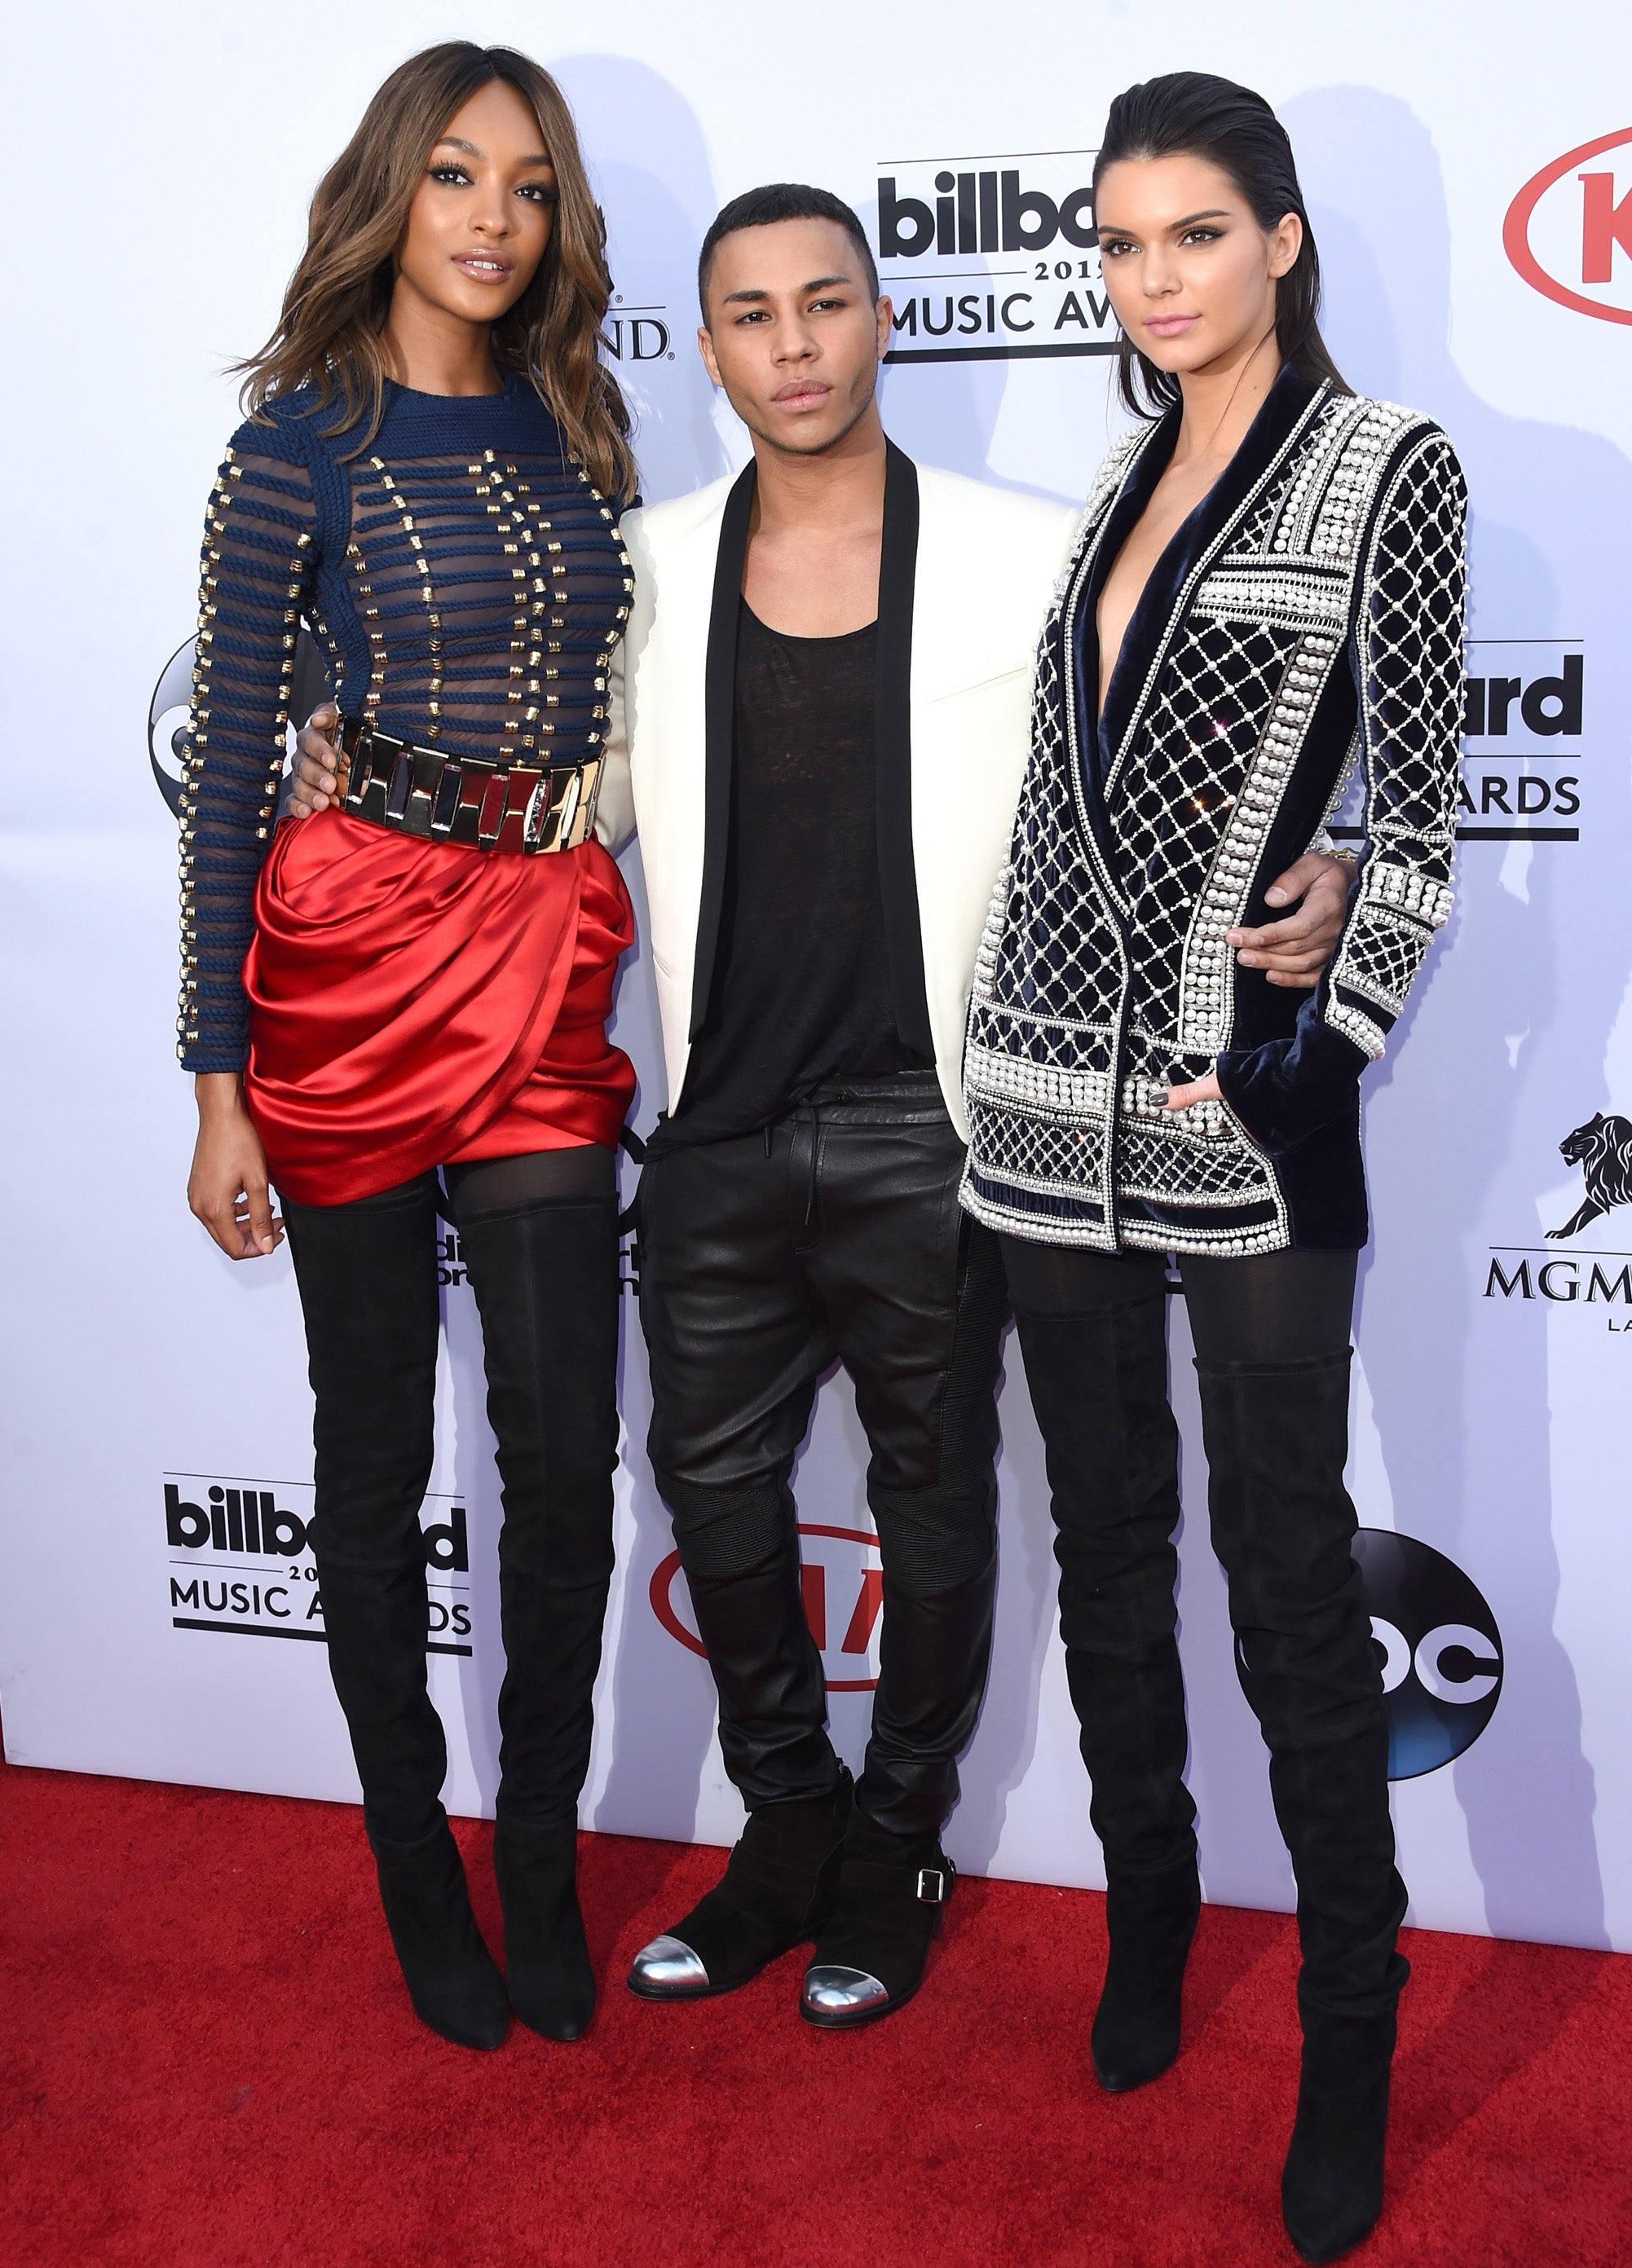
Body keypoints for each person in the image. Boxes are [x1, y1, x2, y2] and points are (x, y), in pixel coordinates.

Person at [293, 178, 1352, 2033]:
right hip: (710, 1127)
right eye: (752, 314)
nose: (793, 342)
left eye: (827, 302)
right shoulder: (650, 560)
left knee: (938, 1515)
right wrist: (357, 770)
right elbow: (562, 788)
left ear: (882, 323)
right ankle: (787, 1822)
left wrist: (1326, 853)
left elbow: (1180, 741)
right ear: (704, 350)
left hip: (929, 1126)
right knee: (710, 1499)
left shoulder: (1029, 554)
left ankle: (899, 1843)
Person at [961, 73, 1466, 2264]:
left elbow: (1427, 809)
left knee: (1283, 1570)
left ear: (1279, 238)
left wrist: (1343, 960)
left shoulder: (1390, 470)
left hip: (1245, 1102)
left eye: (1192, 234)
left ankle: (1352, 2021)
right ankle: (1148, 1919)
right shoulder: (1116, 479)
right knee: (1101, 1548)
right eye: (1120, 242)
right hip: (1036, 1099)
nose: (1151, 279)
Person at [181, 41, 641, 2051]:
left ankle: (536, 1857)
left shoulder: (568, 422)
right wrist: (215, 1084)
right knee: (372, 1459)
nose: (488, 218)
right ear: (393, 186)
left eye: (527, 187)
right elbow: (222, 793)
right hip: (353, 957)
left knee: (559, 1455)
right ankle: (409, 1868)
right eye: (454, 175)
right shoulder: (304, 438)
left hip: (545, 947)